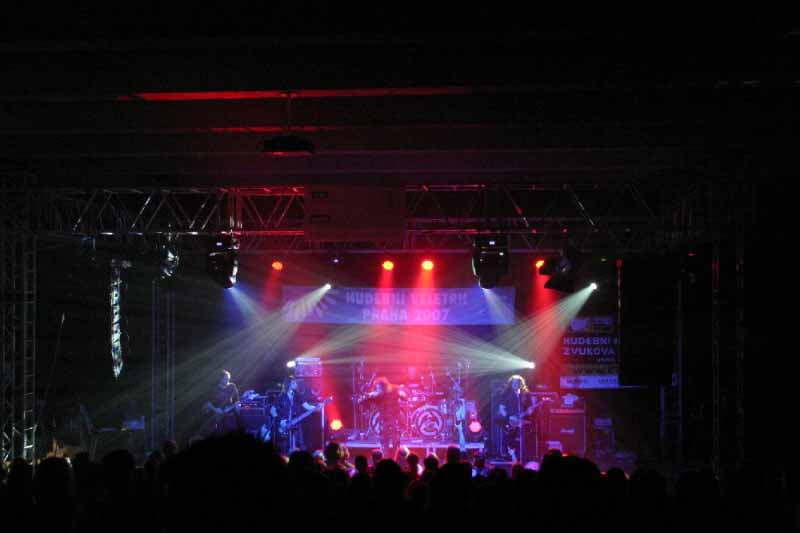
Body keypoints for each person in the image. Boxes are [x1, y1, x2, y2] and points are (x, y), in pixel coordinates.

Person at [358, 376, 406, 460]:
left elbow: (404, 395)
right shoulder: (376, 396)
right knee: (384, 444)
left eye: (380, 388)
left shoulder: (394, 390)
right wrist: (369, 395)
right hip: (384, 423)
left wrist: (402, 394)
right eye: (377, 388)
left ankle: (394, 460)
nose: (378, 390)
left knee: (395, 443)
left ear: (384, 386)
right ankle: (386, 459)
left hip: (395, 422)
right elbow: (360, 401)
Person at [274, 377, 323, 453]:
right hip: (284, 424)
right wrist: (280, 421)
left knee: (300, 444)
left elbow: (307, 406)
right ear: (289, 384)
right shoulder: (281, 397)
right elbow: (273, 410)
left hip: (296, 423)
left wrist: (317, 407)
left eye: (296, 383)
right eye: (294, 383)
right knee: (284, 446)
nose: (296, 384)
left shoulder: (298, 396)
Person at [497, 374, 535, 462]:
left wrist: (530, 411)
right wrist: (509, 417)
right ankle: (511, 454)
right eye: (513, 382)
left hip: (522, 420)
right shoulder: (506, 394)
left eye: (516, 382)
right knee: (510, 438)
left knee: (527, 435)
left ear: (520, 384)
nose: (514, 384)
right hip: (510, 420)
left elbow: (530, 409)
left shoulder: (525, 395)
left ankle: (525, 456)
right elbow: (501, 408)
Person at [204, 369, 241, 435]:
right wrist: (215, 409)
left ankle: (238, 429)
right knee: (218, 414)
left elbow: (236, 398)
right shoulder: (214, 388)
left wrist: (237, 404)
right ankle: (218, 432)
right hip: (217, 408)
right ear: (220, 379)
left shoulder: (232, 386)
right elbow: (207, 403)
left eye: (228, 378)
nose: (227, 380)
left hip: (229, 407)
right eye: (225, 379)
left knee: (238, 410)